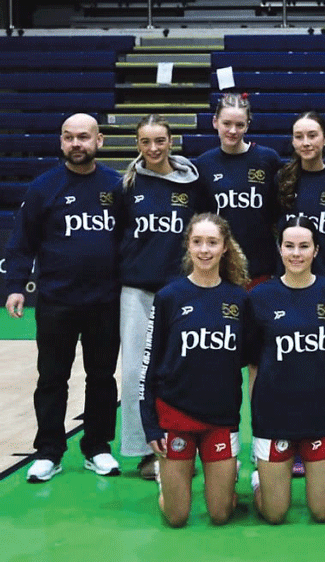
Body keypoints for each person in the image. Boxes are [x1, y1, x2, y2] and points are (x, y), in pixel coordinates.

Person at [4, 113, 123, 482]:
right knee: (52, 378)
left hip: (105, 300)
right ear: (61, 141)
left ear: (99, 141)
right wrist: (15, 285)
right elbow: (22, 241)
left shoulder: (117, 186)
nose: (76, 144)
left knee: (102, 377)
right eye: (69, 137)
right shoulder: (44, 187)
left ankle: (98, 447)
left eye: (83, 137)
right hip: (57, 300)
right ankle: (48, 451)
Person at [139, 213, 250, 527]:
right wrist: (151, 426)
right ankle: (167, 480)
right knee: (177, 517)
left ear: (225, 247)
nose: (204, 249)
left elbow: (246, 358)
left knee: (220, 514)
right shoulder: (169, 297)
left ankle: (227, 476)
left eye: (212, 242)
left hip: (221, 417)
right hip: (175, 414)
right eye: (197, 241)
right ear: (187, 245)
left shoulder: (239, 299)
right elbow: (149, 363)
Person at [118, 114, 210, 480]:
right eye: (145, 142)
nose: (153, 148)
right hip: (137, 290)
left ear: (171, 142)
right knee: (134, 374)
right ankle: (144, 451)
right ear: (137, 144)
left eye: (159, 141)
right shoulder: (128, 184)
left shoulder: (194, 184)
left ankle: (186, 446)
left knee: (183, 371)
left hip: (181, 292)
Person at [246, 217, 325, 523]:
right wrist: (257, 419)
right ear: (280, 249)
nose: (296, 253)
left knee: (322, 512)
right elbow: (253, 365)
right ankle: (259, 480)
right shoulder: (260, 297)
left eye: (304, 246)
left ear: (316, 250)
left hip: (319, 418)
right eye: (289, 246)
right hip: (274, 418)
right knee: (275, 514)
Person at [195, 93, 282, 288]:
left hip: (261, 269)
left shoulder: (268, 159)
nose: (233, 131)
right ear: (215, 122)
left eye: (239, 125)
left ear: (248, 125)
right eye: (227, 124)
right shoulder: (204, 164)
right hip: (219, 270)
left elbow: (277, 214)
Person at [276, 111, 325, 286]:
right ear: (293, 141)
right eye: (299, 137)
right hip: (289, 280)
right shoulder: (281, 180)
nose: (306, 143)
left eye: (312, 136)